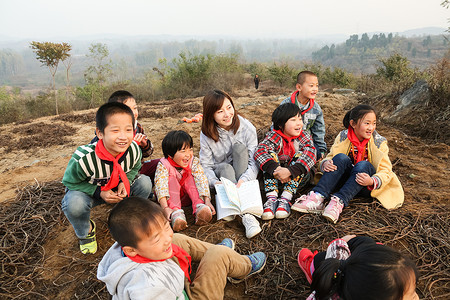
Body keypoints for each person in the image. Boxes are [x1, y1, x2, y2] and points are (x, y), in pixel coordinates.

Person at [97, 196, 267, 300]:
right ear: (131, 251)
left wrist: (158, 240)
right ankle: (243, 266)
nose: (166, 237)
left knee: (176, 241)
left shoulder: (125, 248)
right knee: (219, 254)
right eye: (156, 238)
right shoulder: (149, 287)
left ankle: (223, 259)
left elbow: (163, 238)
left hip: (173, 286)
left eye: (165, 226)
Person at [62, 102, 152, 254]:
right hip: (90, 193)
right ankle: (86, 231)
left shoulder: (134, 150)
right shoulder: (84, 158)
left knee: (144, 183)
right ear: (100, 133)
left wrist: (126, 181)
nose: (123, 137)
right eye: (115, 130)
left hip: (116, 188)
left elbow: (135, 166)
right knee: (74, 204)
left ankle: (129, 218)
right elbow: (69, 181)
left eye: (128, 130)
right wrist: (99, 192)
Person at [292, 104, 404, 223]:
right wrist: (325, 164)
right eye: (367, 123)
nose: (371, 127)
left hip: (364, 184)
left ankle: (338, 202)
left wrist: (372, 181)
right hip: (344, 181)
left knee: (363, 165)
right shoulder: (343, 136)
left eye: (374, 123)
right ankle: (317, 197)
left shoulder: (379, 142)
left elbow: (386, 170)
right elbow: (331, 157)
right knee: (340, 157)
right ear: (353, 124)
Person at [199, 89, 262, 239]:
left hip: (243, 173)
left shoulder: (246, 127)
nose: (227, 114)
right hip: (223, 175)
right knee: (226, 168)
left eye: (229, 107)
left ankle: (247, 216)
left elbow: (254, 159)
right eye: (220, 111)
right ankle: (232, 206)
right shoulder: (206, 134)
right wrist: (215, 182)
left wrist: (245, 179)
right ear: (211, 115)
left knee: (240, 150)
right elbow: (206, 165)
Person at [297, 235, 419, 300]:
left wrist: (345, 240)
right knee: (322, 260)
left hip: (334, 271)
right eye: (412, 295)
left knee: (363, 242)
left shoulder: (341, 268)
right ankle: (312, 267)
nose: (416, 297)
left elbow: (338, 248)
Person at [254, 103, 316, 220]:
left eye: (300, 119)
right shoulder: (274, 136)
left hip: (298, 180)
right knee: (269, 155)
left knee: (302, 155)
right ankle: (271, 199)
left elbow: (311, 154)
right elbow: (260, 151)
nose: (299, 123)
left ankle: (285, 199)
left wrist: (290, 171)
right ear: (281, 125)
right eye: (293, 120)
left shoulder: (304, 136)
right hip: (275, 179)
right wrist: (276, 169)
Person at [90, 90, 159, 184]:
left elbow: (148, 153)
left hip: (135, 170)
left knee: (162, 164)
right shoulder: (104, 135)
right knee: (143, 183)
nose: (133, 113)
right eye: (127, 109)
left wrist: (144, 144)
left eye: (135, 108)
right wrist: (131, 145)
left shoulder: (137, 127)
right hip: (112, 175)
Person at [154, 130, 216, 232]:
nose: (188, 155)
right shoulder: (164, 165)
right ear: (170, 155)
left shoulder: (193, 162)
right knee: (171, 179)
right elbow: (160, 185)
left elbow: (201, 179)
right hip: (170, 199)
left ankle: (199, 207)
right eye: (183, 151)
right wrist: (165, 208)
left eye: (190, 149)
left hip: (189, 196)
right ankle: (176, 213)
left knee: (191, 177)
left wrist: (207, 200)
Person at [280, 71, 326, 160]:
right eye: (311, 86)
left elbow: (319, 130)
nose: (315, 89)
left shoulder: (316, 109)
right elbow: (276, 124)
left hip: (306, 142)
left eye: (317, 85)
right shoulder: (286, 105)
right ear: (299, 87)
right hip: (287, 140)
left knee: (317, 154)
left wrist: (321, 149)